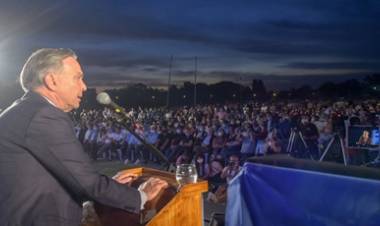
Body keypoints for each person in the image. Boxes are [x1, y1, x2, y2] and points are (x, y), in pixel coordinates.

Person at [0, 48, 168, 226]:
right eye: (77, 77)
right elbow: (87, 183)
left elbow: (65, 177)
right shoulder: (43, 115)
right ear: (52, 80)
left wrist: (106, 185)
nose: (84, 86)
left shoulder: (25, 110)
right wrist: (141, 195)